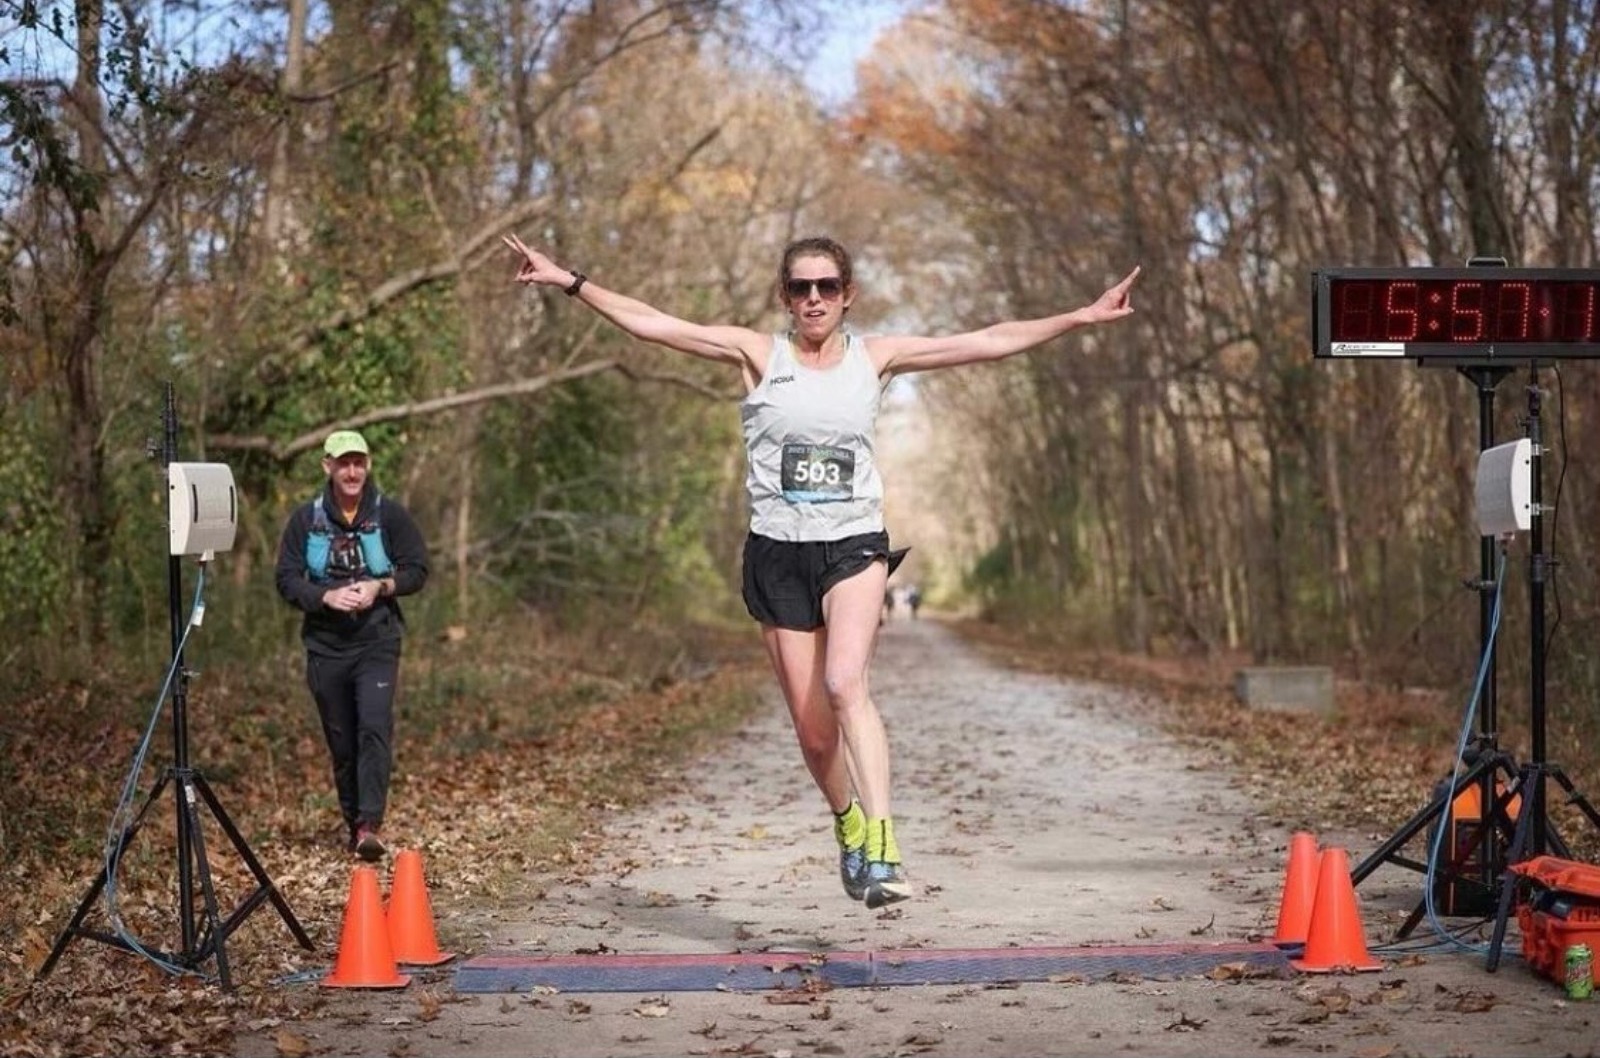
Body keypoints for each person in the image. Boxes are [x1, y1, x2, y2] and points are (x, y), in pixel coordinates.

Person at [502, 232, 1138, 908]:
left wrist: (1076, 317)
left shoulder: (877, 358)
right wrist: (571, 282)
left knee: (845, 683)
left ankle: (885, 847)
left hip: (852, 546)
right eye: (801, 288)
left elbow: (986, 339)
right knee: (811, 733)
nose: (813, 299)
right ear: (785, 296)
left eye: (826, 287)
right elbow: (656, 324)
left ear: (847, 295)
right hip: (778, 553)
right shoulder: (757, 354)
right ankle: (850, 822)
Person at [274, 429, 430, 861]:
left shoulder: (390, 515)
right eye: (344, 463)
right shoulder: (305, 520)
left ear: (368, 466)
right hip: (325, 648)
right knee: (342, 744)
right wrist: (324, 597)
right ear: (328, 467)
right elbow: (285, 579)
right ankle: (353, 824)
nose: (352, 471)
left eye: (359, 462)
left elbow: (418, 569)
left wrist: (382, 586)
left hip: (377, 642)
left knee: (374, 728)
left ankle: (368, 825)